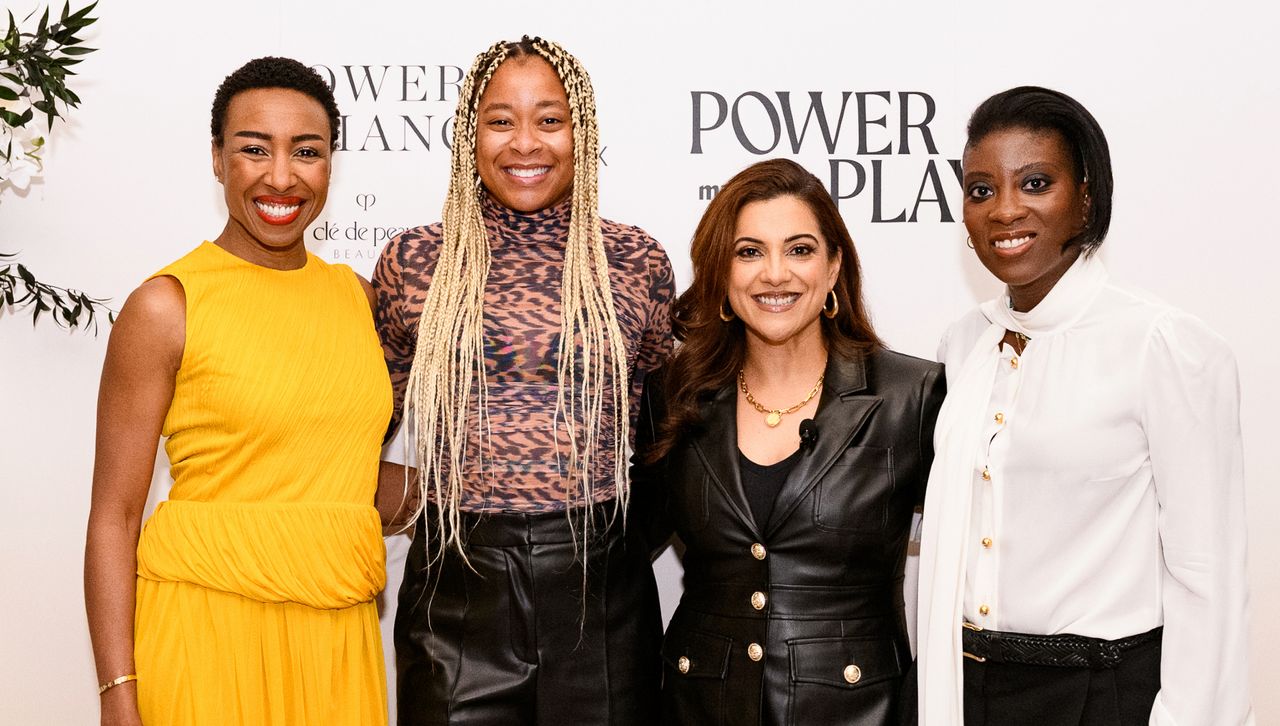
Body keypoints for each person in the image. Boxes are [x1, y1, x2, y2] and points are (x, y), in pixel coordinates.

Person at [916, 86, 1254, 725]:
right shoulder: (964, 345)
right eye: (981, 190)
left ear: (1088, 197)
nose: (1004, 210)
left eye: (1036, 183)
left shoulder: (1164, 346)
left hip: (1101, 694)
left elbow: (1207, 579)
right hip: (968, 687)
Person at [373, 37, 674, 725]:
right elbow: (359, 429)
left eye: (549, 118)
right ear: (468, 137)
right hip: (456, 594)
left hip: (600, 599)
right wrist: (441, 503)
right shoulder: (415, 262)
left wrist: (613, 543)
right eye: (500, 120)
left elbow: (663, 440)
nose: (525, 143)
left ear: (582, 132)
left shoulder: (635, 261)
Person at [83, 57, 391, 726]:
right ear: (218, 160)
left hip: (336, 641)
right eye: (254, 149)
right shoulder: (167, 305)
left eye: (305, 151)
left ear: (331, 165)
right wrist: (118, 694)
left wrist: (483, 485)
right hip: (206, 632)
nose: (280, 176)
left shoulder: (358, 299)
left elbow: (333, 469)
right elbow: (113, 516)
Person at [632, 158, 945, 725]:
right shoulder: (674, 395)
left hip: (860, 710)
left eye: (799, 250)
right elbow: (627, 546)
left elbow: (975, 566)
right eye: (748, 252)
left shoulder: (911, 395)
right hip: (700, 706)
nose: (774, 273)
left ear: (832, 270)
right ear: (720, 275)